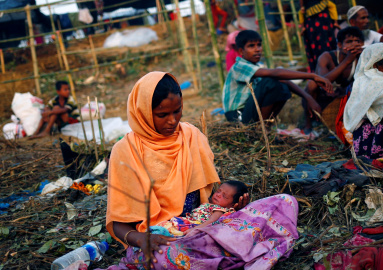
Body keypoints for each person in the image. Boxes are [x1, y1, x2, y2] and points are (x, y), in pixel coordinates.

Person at [104, 72, 299, 269]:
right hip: (162, 239)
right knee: (167, 256)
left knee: (284, 201)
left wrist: (230, 207)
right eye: (162, 115)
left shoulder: (191, 135)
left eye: (177, 111)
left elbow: (206, 203)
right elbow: (119, 223)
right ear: (142, 112)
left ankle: (219, 254)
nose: (172, 121)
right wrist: (141, 239)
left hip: (204, 227)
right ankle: (232, 253)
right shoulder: (126, 151)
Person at [223, 30, 332, 124]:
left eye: (259, 45)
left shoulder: (257, 67)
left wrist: (308, 97)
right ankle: (262, 128)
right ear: (241, 51)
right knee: (270, 82)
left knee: (283, 87)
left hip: (248, 112)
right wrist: (312, 76)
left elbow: (284, 80)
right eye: (251, 46)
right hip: (237, 117)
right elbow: (275, 73)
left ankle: (265, 126)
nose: (257, 49)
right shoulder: (239, 66)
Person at [303, 27, 364, 133]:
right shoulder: (326, 57)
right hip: (322, 97)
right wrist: (347, 61)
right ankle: (308, 125)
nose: (353, 45)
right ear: (340, 45)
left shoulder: (361, 57)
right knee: (311, 84)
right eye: (349, 42)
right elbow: (323, 81)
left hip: (344, 97)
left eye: (357, 41)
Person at [183, 180, 248, 235]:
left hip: (196, 227)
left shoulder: (219, 210)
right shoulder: (210, 204)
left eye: (224, 196)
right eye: (218, 191)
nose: (218, 195)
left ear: (232, 205)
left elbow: (211, 221)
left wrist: (195, 230)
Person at [300, 0, 339, 72]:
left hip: (317, 20)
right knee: (321, 47)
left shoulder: (325, 4)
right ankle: (323, 71)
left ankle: (327, 70)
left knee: (323, 46)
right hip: (316, 20)